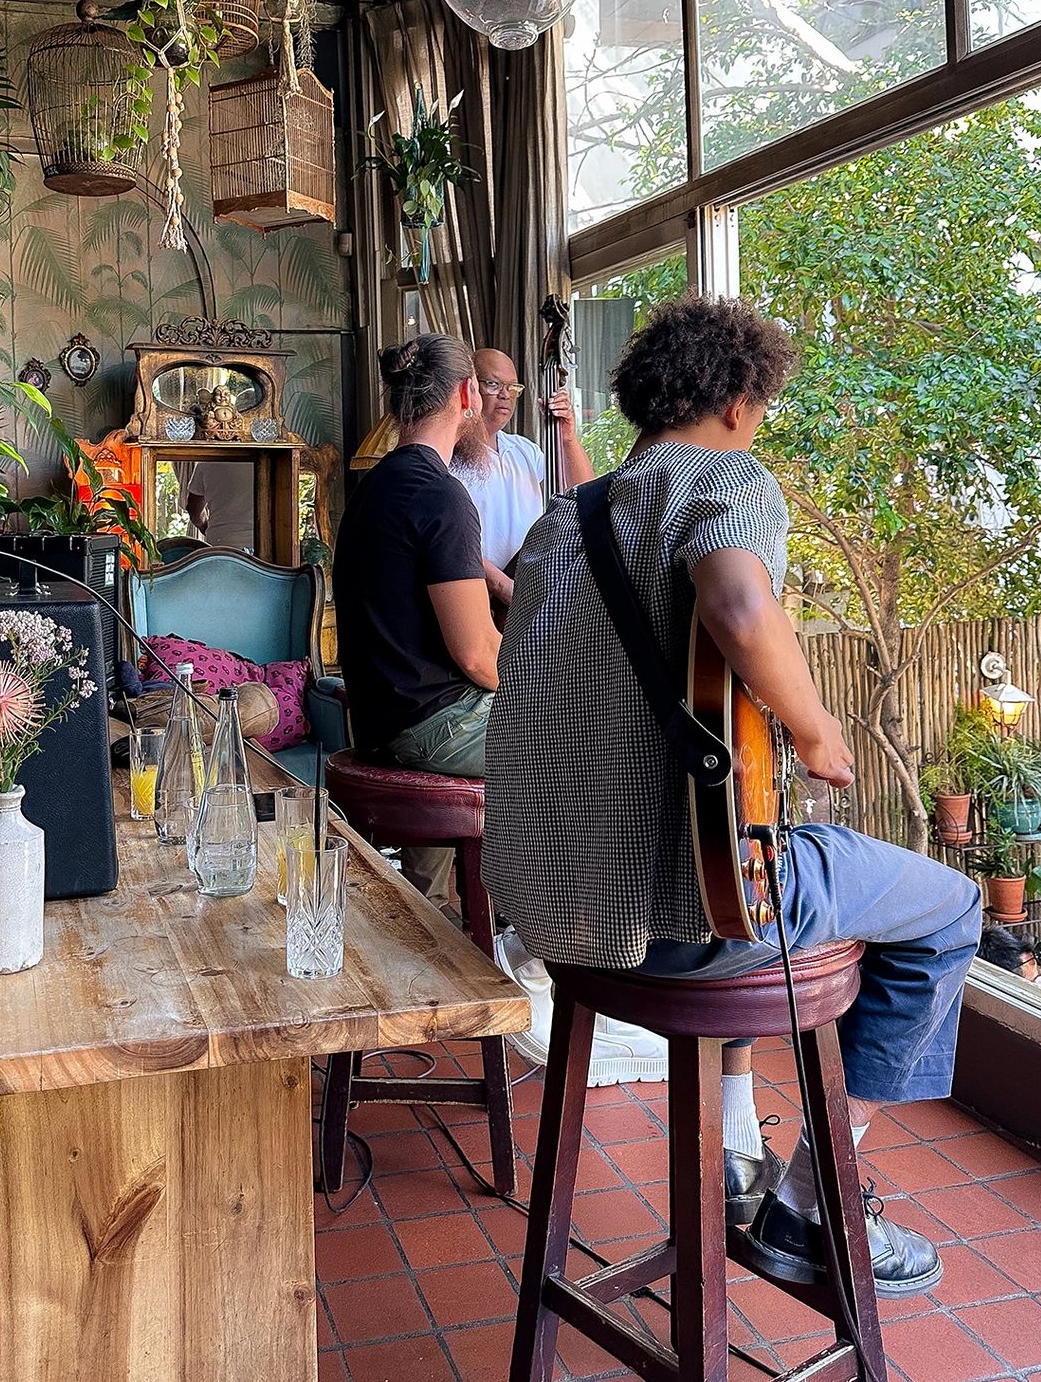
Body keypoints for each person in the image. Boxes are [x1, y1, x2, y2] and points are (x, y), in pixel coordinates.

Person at [484, 294, 982, 1296]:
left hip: (544, 909)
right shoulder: (722, 476)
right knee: (948, 908)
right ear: (739, 402)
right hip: (670, 923)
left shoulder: (559, 520)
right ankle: (806, 1202)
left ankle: (732, 1157)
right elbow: (739, 604)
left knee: (739, 860)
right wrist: (814, 729)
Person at [333, 334, 500, 906]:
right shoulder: (442, 495)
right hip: (430, 728)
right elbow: (478, 656)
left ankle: (429, 918)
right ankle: (546, 933)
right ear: (467, 394)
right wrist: (549, 678)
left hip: (378, 722)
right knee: (588, 738)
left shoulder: (371, 490)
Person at [451, 347, 593, 615]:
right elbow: (453, 540)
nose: (505, 395)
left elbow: (585, 495)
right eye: (493, 384)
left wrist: (567, 438)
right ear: (469, 388)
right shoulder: (450, 454)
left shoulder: (524, 450)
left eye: (512, 386)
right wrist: (504, 587)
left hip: (525, 590)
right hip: (476, 597)